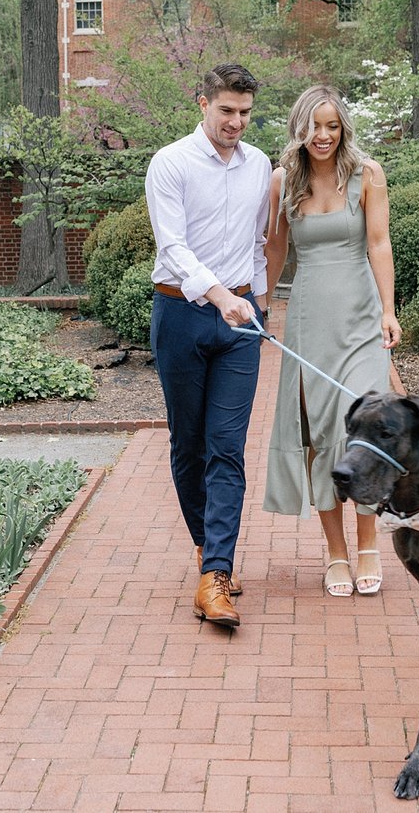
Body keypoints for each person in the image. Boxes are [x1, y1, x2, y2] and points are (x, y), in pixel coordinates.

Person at [145, 63, 271, 628]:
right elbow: (172, 248)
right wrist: (221, 297)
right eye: (226, 111)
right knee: (188, 444)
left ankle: (216, 573)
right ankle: (205, 546)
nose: (236, 122)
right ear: (202, 103)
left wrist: (259, 303)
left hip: (242, 324)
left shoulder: (260, 165)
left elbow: (258, 242)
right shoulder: (169, 163)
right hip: (181, 315)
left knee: (227, 447)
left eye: (245, 113)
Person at [263, 85, 402, 597]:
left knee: (361, 428)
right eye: (314, 126)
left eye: (332, 126)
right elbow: (274, 249)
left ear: (343, 129)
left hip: (362, 319)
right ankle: (336, 553)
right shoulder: (283, 181)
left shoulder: (368, 175)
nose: (323, 136)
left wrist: (389, 311)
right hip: (309, 321)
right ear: (300, 129)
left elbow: (379, 243)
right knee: (321, 435)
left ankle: (368, 543)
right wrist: (259, 304)